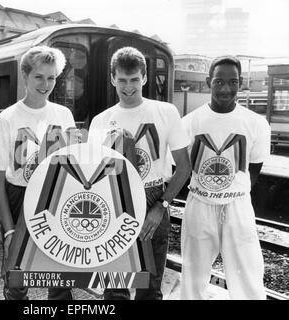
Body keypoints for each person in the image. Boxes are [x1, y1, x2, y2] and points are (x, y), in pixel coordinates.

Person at [88, 47, 191, 300]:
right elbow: (92, 174)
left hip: (154, 196)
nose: (128, 87)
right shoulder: (101, 121)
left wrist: (161, 206)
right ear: (112, 79)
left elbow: (184, 167)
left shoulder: (166, 112)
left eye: (134, 79)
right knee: (115, 289)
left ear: (144, 78)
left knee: (149, 288)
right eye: (122, 80)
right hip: (114, 200)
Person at [0, 46, 76, 300]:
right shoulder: (6, 120)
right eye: (39, 76)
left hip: (55, 199)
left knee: (59, 275)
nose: (46, 84)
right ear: (25, 76)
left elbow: (70, 166)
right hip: (18, 198)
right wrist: (9, 230)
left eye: (52, 77)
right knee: (17, 277)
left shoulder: (64, 115)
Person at [180, 56, 270, 300]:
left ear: (240, 83)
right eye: (219, 82)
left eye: (233, 82)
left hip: (237, 206)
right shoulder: (189, 122)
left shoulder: (256, 123)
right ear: (210, 82)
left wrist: (230, 192)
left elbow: (254, 168)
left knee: (247, 277)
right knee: (193, 276)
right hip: (199, 204)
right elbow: (181, 166)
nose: (226, 89)